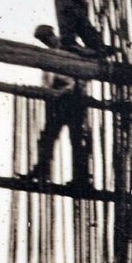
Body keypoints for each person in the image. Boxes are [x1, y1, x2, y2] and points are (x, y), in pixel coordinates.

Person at [27, 25, 91, 185]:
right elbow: (48, 79)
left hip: (73, 98)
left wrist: (67, 89)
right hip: (56, 100)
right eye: (43, 40)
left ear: (52, 35)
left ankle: (81, 178)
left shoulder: (71, 49)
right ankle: (42, 170)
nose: (46, 42)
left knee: (76, 138)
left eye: (46, 38)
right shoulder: (49, 54)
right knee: (48, 136)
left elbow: (84, 75)